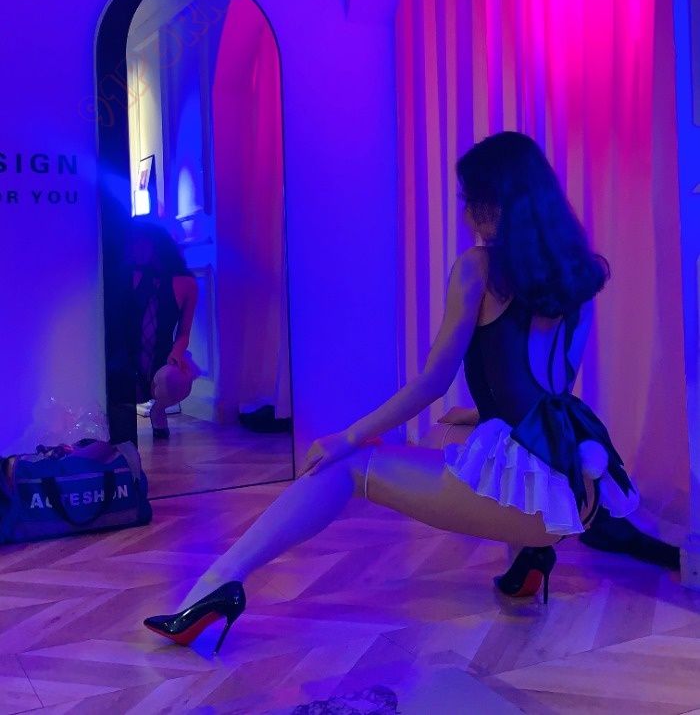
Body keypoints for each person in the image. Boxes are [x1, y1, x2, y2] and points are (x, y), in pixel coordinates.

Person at [143, 131, 638, 653]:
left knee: (344, 467)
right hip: (576, 492)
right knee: (464, 440)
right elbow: (554, 391)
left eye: (471, 200)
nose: (466, 214)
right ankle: (529, 562)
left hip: (524, 502)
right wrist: (480, 414)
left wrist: (348, 437)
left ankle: (217, 586)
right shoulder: (582, 273)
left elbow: (432, 382)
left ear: (498, 203)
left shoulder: (478, 268)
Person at [124, 218, 198, 440]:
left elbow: (184, 332)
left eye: (139, 242)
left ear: (154, 245)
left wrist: (177, 353)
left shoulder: (186, 284)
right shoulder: (128, 276)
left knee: (172, 379)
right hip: (131, 360)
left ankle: (158, 410)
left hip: (163, 358)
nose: (134, 247)